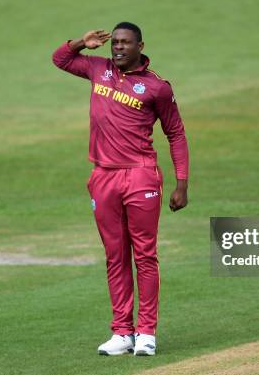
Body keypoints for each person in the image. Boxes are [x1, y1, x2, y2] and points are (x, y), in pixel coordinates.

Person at [52, 22, 189, 356]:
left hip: (141, 176)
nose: (118, 48)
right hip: (103, 177)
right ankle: (122, 333)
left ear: (140, 45)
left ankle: (146, 332)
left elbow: (176, 134)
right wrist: (79, 44)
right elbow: (60, 60)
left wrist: (181, 183)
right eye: (115, 42)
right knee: (115, 257)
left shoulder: (157, 87)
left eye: (126, 43)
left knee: (144, 255)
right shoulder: (98, 69)